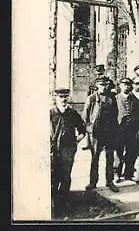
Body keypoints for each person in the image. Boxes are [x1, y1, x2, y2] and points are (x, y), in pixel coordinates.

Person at [50, 88, 86, 216]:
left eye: (65, 97)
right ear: (56, 98)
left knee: (66, 177)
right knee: (53, 177)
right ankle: (54, 204)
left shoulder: (72, 113)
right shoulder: (51, 113)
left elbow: (82, 129)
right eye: (61, 97)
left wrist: (77, 140)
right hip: (53, 151)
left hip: (68, 151)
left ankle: (64, 203)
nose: (63, 99)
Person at [83, 77, 119, 192]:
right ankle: (93, 182)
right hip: (96, 134)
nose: (104, 87)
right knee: (95, 158)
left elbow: (115, 114)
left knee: (110, 158)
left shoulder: (112, 98)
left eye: (106, 84)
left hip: (109, 133)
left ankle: (110, 181)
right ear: (97, 85)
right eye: (101, 85)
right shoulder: (92, 98)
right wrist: (90, 130)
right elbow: (85, 116)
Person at [83, 64, 116, 150]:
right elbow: (89, 92)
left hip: (106, 102)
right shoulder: (93, 81)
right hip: (95, 102)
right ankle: (89, 143)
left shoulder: (109, 81)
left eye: (100, 71)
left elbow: (113, 90)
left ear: (103, 71)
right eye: (97, 71)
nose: (99, 73)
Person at [115, 78, 135, 182]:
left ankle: (129, 174)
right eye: (124, 84)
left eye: (128, 84)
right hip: (119, 130)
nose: (126, 86)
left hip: (132, 129)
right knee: (118, 152)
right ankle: (116, 174)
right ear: (120, 86)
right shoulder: (115, 98)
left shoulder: (134, 99)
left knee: (131, 151)